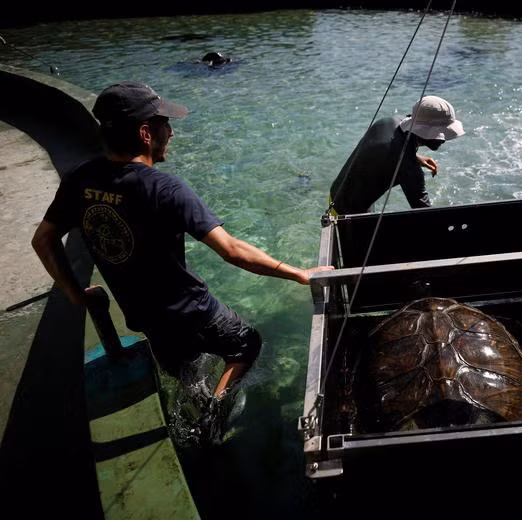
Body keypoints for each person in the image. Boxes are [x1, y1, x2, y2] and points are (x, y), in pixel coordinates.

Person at [31, 81, 332, 440]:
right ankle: (216, 415)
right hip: (191, 310)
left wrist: (76, 295)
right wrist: (299, 273)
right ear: (146, 133)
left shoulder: (80, 180)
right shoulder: (166, 190)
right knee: (247, 343)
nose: (170, 133)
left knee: (187, 372)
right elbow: (231, 250)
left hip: (144, 316)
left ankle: (198, 410)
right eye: (164, 125)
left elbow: (43, 239)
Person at [328, 95, 464, 216]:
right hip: (345, 212)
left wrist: (417, 158)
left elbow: (388, 150)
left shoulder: (392, 122)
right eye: (441, 133)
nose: (444, 139)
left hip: (339, 192)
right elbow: (424, 213)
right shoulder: (408, 168)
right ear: (424, 131)